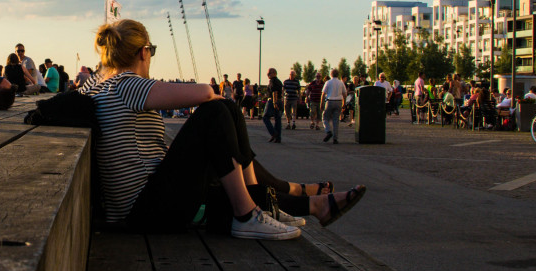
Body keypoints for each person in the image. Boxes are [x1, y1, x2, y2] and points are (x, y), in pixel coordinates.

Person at [79, 19, 363, 240]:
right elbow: (205, 92)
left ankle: (275, 206)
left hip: (140, 208)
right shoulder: (128, 84)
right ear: (145, 52)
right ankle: (247, 214)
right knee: (217, 110)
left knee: (223, 113)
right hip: (145, 212)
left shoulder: (98, 84)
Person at [321, 67, 347, 143]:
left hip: (330, 101)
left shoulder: (328, 82)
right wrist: (344, 104)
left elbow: (323, 94)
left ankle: (328, 131)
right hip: (338, 101)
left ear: (331, 74)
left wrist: (321, 104)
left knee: (325, 118)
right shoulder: (341, 82)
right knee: (336, 120)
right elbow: (345, 94)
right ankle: (335, 138)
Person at [262, 68, 283, 142]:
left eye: (269, 73)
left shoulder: (273, 81)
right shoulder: (279, 82)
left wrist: (274, 102)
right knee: (278, 119)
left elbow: (274, 92)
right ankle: (278, 138)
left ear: (274, 73)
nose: (268, 75)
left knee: (265, 117)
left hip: (273, 101)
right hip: (279, 101)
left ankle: (273, 133)